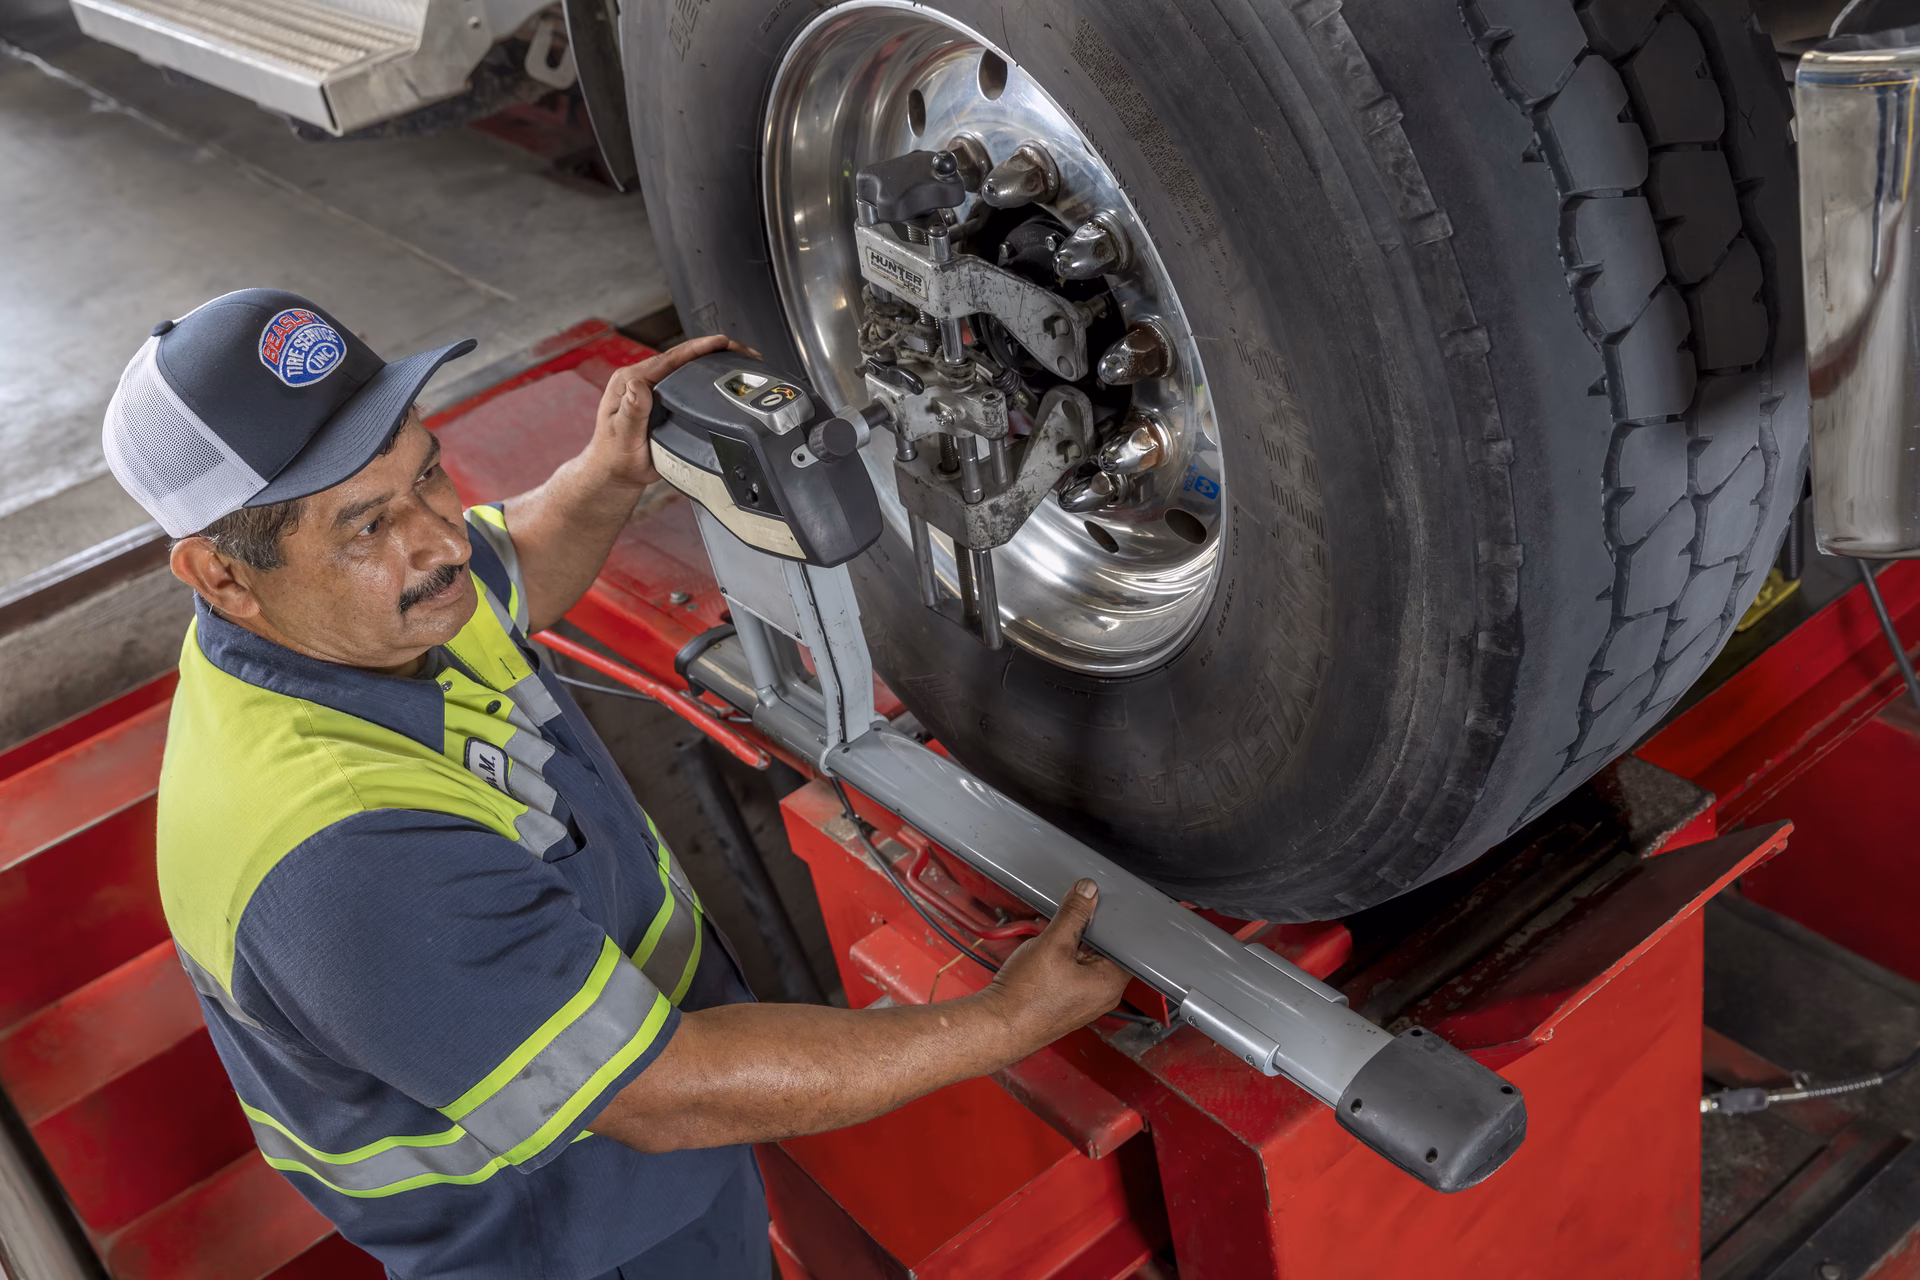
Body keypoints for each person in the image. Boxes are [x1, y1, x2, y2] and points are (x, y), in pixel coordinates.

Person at [102, 289, 1129, 1280]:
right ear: (222, 577)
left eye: (429, 472)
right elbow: (667, 1090)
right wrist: (1001, 1024)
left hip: (648, 1178)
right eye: (366, 525)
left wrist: (610, 468)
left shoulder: (369, 617)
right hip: (575, 1237)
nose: (441, 536)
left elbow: (518, 567)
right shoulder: (340, 856)